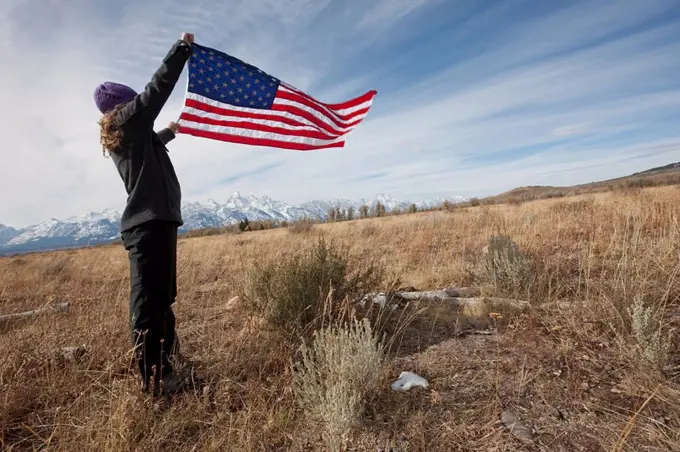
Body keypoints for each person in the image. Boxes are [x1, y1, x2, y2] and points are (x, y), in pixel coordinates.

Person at [93, 32, 194, 394]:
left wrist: (168, 132)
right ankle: (157, 379)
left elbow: (147, 151)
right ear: (122, 105)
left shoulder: (133, 135)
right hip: (149, 225)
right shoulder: (127, 119)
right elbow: (157, 89)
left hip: (158, 222)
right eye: (132, 100)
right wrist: (181, 49)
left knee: (161, 298)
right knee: (149, 305)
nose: (139, 103)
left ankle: (170, 361)